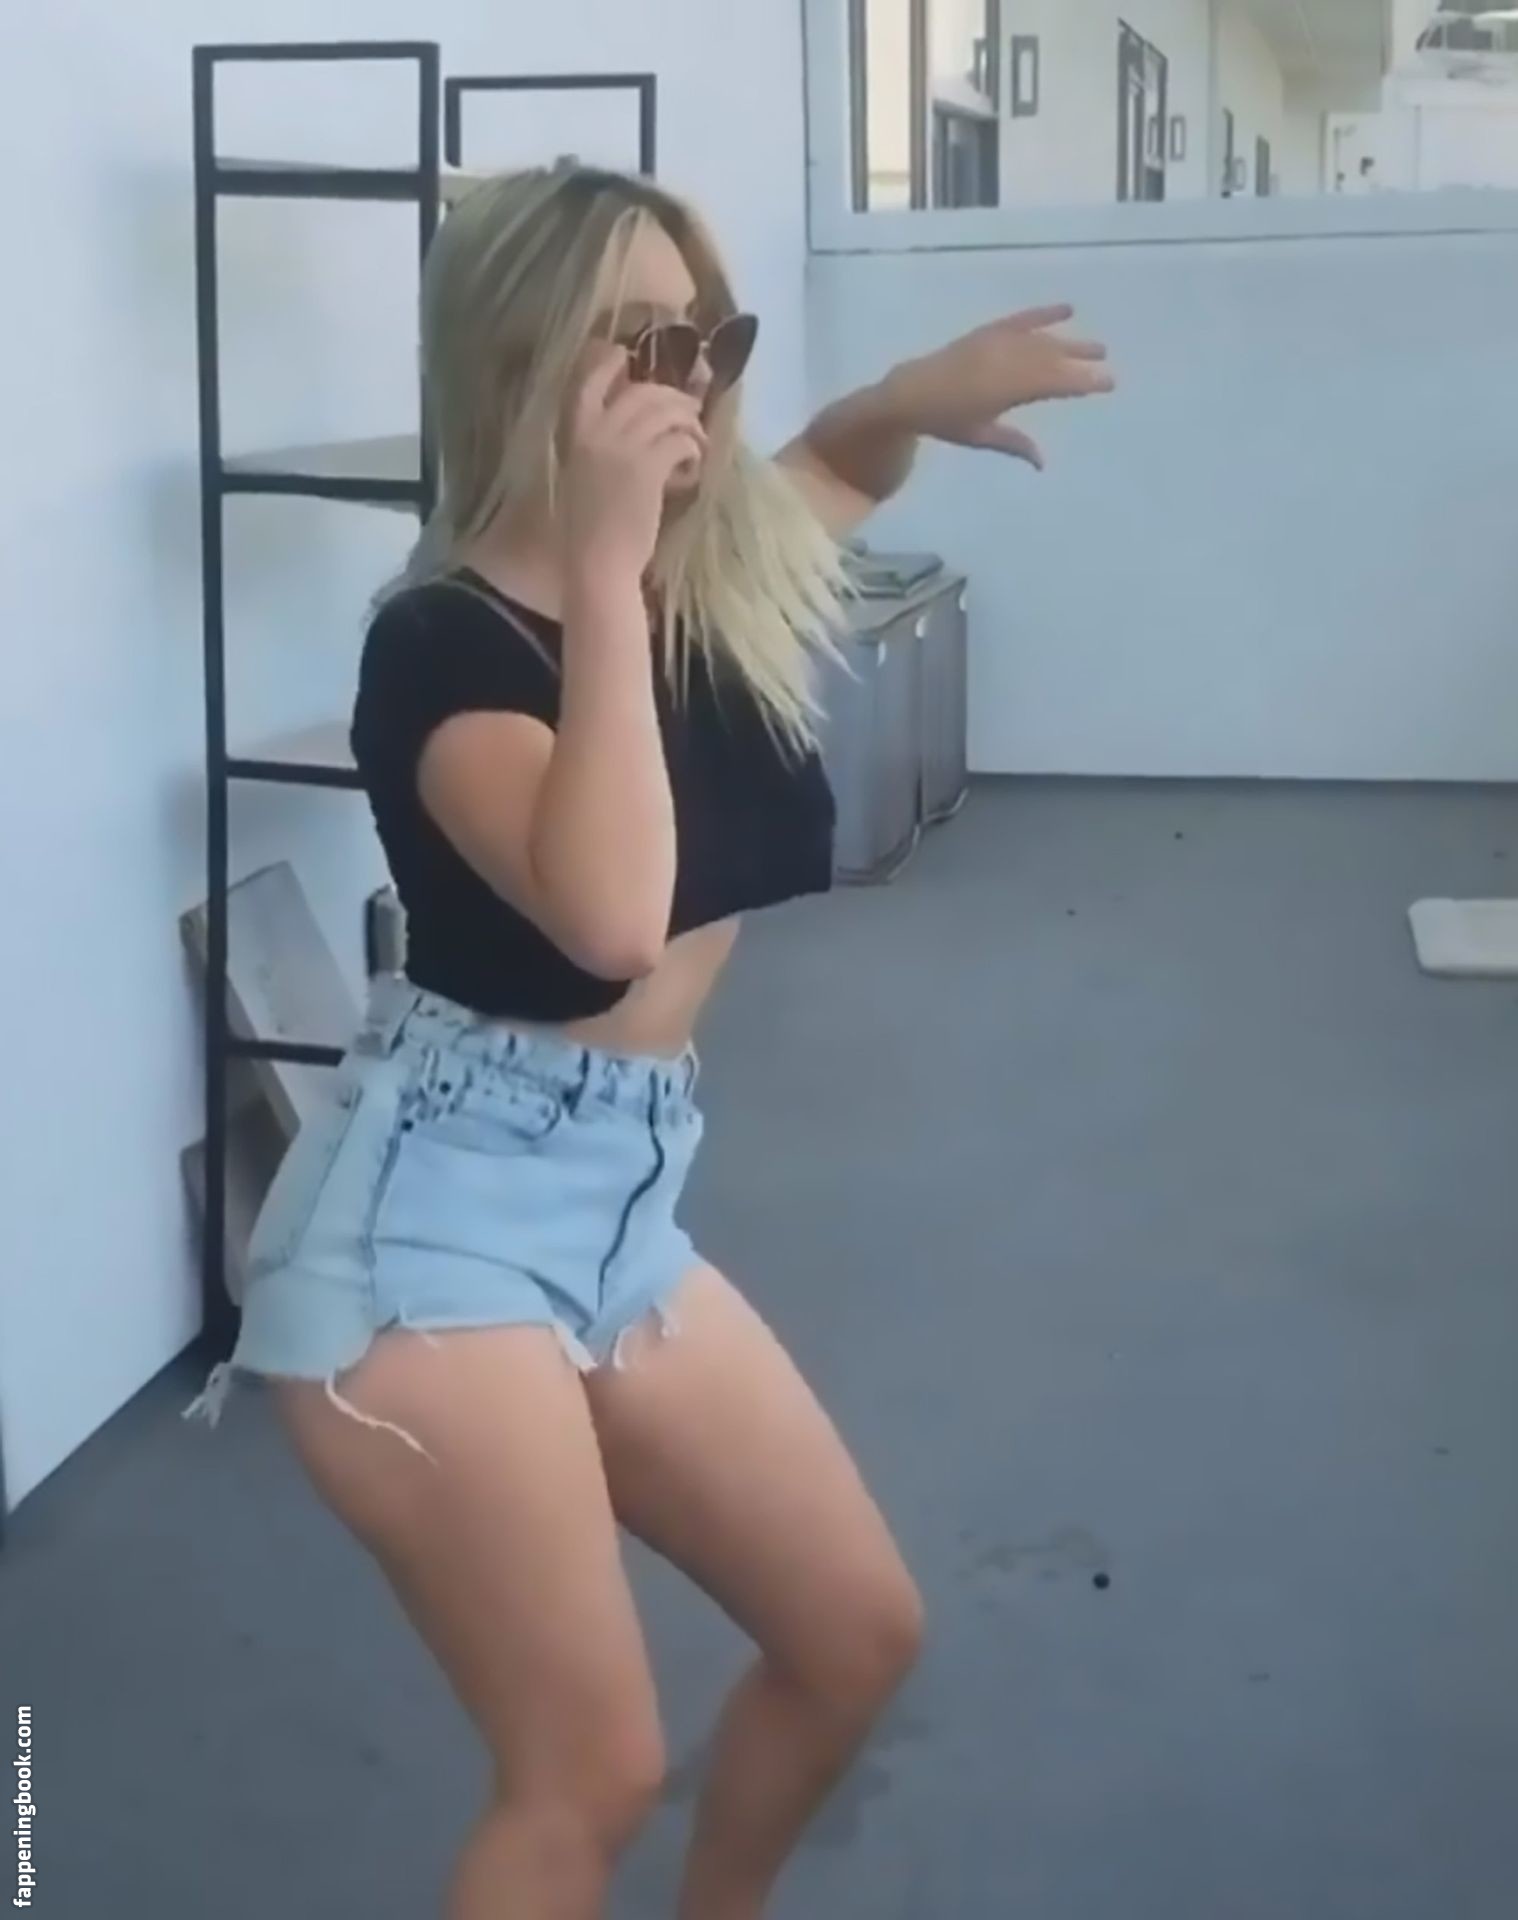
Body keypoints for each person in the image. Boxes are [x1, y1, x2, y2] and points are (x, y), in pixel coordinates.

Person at [185, 163, 1113, 1920]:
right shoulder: (440, 648)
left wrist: (898, 399)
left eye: (708, 340)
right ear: (518, 355)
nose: (686, 383)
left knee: (852, 1633)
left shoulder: (692, 570)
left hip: (611, 1190)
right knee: (585, 1769)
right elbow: (610, 922)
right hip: (425, 1233)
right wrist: (607, 570)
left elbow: (826, 474)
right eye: (639, 342)